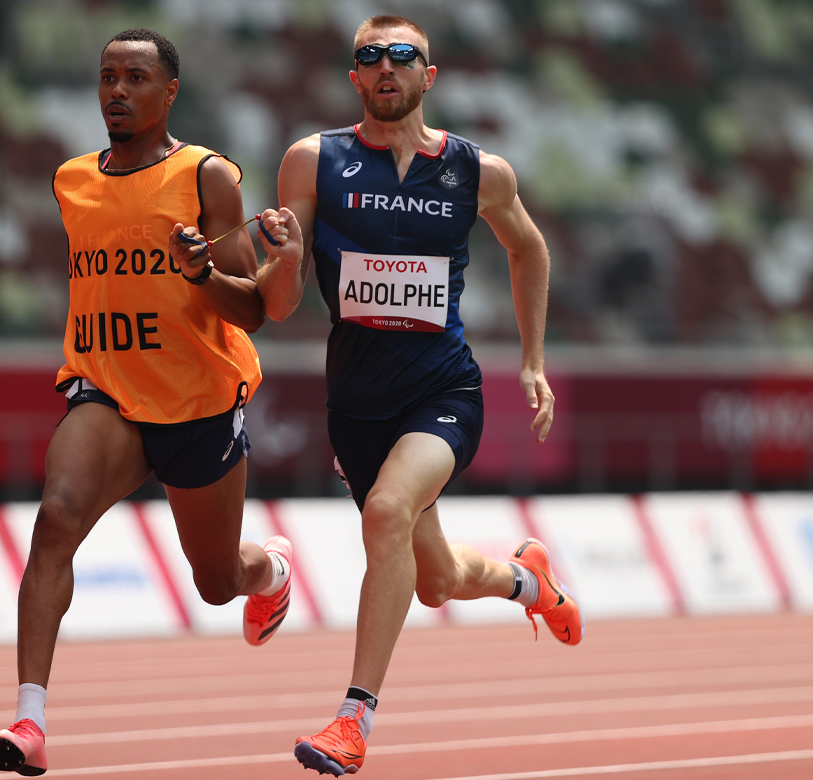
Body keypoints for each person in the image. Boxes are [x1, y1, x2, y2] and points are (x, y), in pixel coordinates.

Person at [255, 15, 585, 777]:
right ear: (355, 79)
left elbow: (528, 247)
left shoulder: (478, 172)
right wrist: (283, 257)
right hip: (358, 405)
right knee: (435, 579)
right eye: (369, 57)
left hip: (444, 391)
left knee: (387, 512)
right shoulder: (314, 162)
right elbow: (279, 305)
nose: (385, 68)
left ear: (427, 77)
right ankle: (527, 579)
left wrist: (533, 360)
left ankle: (353, 718)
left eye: (402, 56)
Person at [0, 29, 295, 776]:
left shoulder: (206, 176)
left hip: (198, 402)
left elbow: (250, 311)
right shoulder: (70, 180)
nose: (116, 91)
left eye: (135, 78)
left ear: (170, 92)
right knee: (56, 520)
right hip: (107, 391)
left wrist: (197, 273)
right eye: (106, 78)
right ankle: (30, 721)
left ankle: (270, 573)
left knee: (217, 583)